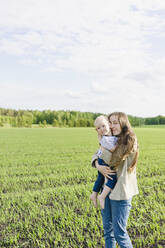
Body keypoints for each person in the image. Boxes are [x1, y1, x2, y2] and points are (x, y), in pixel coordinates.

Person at [91, 112, 139, 248]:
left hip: (120, 193)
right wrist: (97, 164)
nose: (111, 126)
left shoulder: (130, 141)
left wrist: (101, 146)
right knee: (108, 231)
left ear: (123, 123)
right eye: (110, 122)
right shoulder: (111, 138)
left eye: (115, 122)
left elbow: (114, 158)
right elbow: (97, 154)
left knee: (119, 234)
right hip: (106, 191)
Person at [90, 115, 118, 208]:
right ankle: (102, 196)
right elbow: (114, 150)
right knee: (111, 177)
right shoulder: (105, 139)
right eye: (99, 128)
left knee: (100, 178)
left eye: (103, 126)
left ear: (108, 125)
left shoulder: (109, 137)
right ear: (97, 131)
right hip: (104, 162)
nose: (102, 129)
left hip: (102, 160)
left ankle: (94, 194)